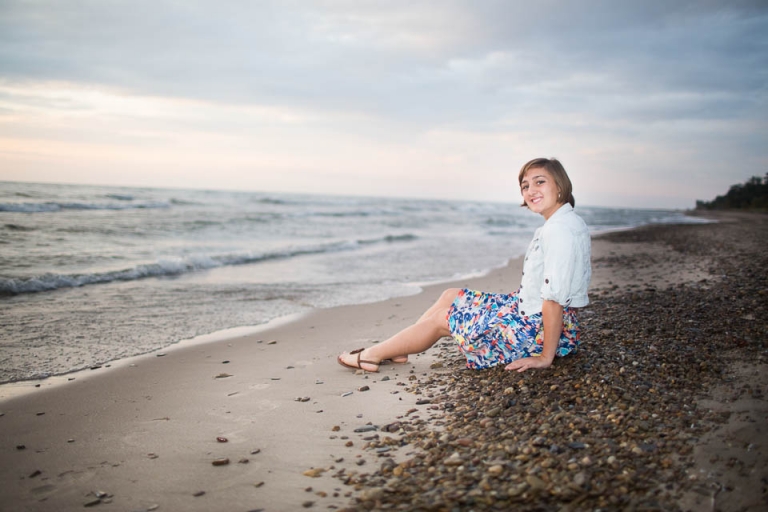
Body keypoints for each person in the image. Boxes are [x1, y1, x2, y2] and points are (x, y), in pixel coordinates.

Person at [337, 158, 591, 373]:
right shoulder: (563, 223)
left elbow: (554, 299)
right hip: (534, 314)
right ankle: (399, 349)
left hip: (534, 331)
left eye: (539, 181)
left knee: (442, 319)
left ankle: (371, 354)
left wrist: (545, 357)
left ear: (560, 185)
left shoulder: (558, 231)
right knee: (452, 296)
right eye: (525, 186)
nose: (530, 190)